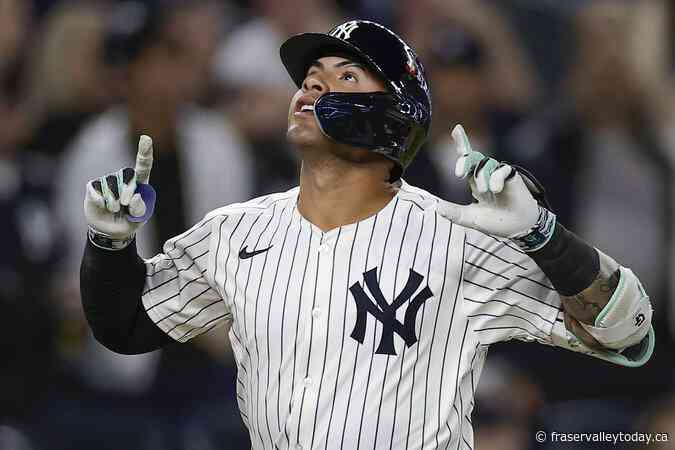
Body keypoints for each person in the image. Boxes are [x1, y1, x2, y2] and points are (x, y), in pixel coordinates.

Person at [79, 20, 655, 449]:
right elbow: (127, 326)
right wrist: (110, 245)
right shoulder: (234, 232)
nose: (311, 88)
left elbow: (626, 331)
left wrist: (543, 236)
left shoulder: (453, 237)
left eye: (344, 77)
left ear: (393, 114)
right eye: (310, 79)